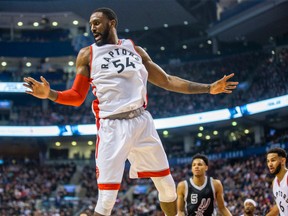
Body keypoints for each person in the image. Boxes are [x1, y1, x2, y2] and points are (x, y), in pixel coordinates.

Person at [23, 7, 238, 216]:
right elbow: (77, 96)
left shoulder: (135, 49)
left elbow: (167, 80)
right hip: (112, 127)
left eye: (97, 23)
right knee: (106, 199)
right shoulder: (87, 55)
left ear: (112, 23)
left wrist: (209, 88)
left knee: (168, 186)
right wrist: (50, 94)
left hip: (142, 121)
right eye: (90, 25)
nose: (93, 28)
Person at [266, 147, 288, 216]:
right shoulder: (274, 182)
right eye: (268, 161)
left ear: (283, 161)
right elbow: (279, 206)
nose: (270, 164)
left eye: (273, 160)